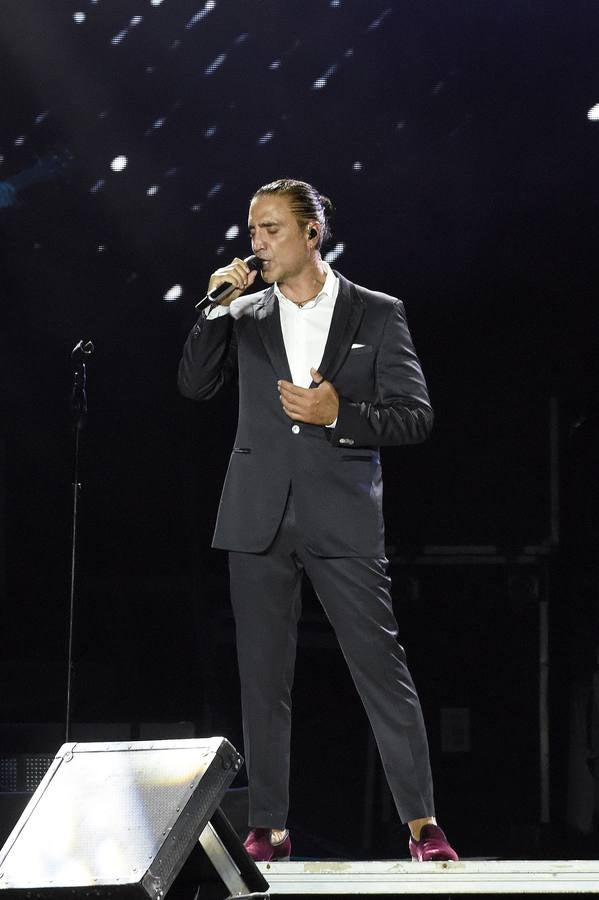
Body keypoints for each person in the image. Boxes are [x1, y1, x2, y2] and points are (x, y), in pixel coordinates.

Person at [178, 178, 458, 863]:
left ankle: (422, 825)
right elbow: (192, 384)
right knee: (262, 677)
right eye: (252, 232)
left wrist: (340, 416)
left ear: (312, 234)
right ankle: (267, 825)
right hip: (257, 516)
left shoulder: (377, 314)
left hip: (342, 517)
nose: (258, 243)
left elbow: (415, 416)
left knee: (379, 669)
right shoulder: (241, 315)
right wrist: (212, 309)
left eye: (271, 229)